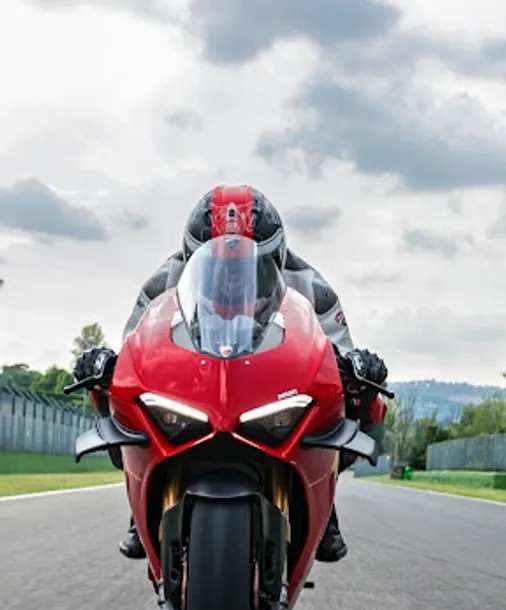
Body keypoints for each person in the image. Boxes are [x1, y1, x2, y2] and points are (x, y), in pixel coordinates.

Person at [74, 185, 388, 564]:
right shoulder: (163, 281)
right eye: (220, 264)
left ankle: (325, 506)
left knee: (359, 401)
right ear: (192, 255)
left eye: (250, 265)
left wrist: (358, 367)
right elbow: (134, 341)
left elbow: (339, 345)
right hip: (192, 378)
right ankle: (140, 505)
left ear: (277, 255)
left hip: (274, 382)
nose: (232, 278)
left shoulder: (311, 287)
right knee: (112, 392)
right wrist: (105, 364)